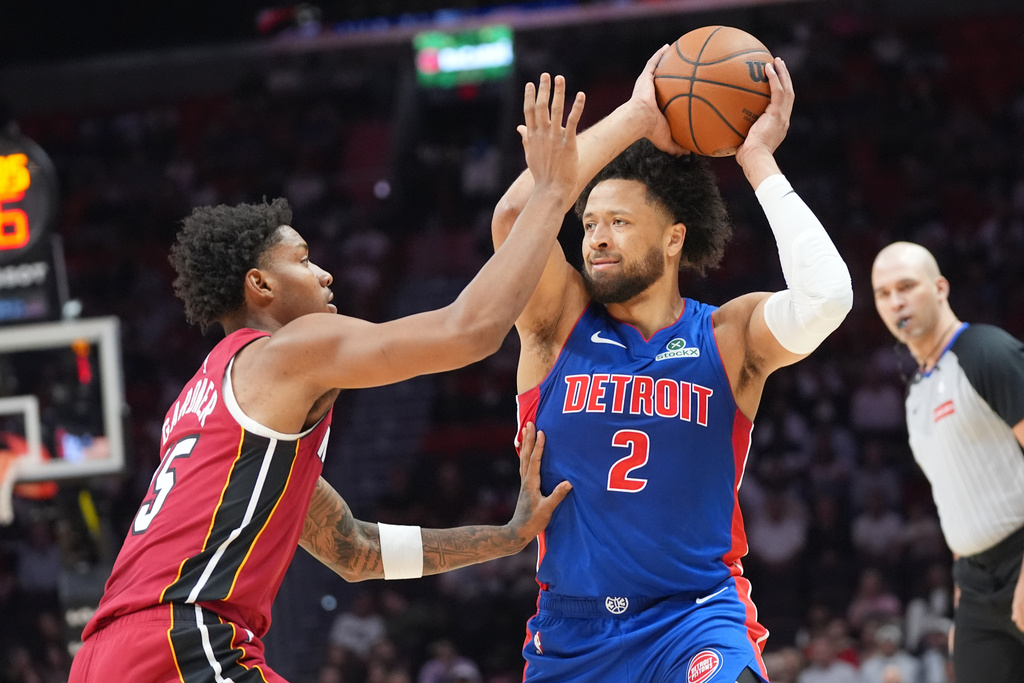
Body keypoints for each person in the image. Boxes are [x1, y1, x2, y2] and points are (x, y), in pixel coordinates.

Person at [68, 73, 584, 683]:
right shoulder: (290, 349)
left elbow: (356, 551)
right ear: (259, 286)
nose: (326, 274)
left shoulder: (211, 402)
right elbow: (468, 332)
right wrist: (550, 195)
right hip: (182, 637)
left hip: (108, 654)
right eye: (304, 260)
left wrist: (504, 537)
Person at [491, 46, 852, 683]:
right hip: (573, 631)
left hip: (695, 619)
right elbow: (518, 218)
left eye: (620, 222)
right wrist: (635, 115)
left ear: (674, 237)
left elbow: (827, 298)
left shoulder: (728, 336)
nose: (596, 237)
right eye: (590, 223)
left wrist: (758, 160)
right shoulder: (555, 326)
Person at [871, 240, 1024, 682]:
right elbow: (954, 496)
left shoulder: (986, 352)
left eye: (906, 286)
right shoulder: (916, 392)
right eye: (884, 293)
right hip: (976, 585)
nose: (896, 301)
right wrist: (963, 601)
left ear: (939, 287)